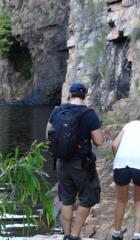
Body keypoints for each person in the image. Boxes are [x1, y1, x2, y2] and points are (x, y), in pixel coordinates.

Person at [46, 83, 104, 240]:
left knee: (66, 198)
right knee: (87, 197)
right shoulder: (89, 114)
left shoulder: (58, 110)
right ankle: (75, 235)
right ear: (84, 95)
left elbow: (48, 135)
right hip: (81, 164)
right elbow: (99, 141)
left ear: (70, 94)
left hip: (61, 162)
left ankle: (66, 234)